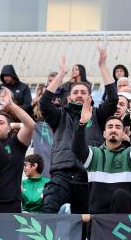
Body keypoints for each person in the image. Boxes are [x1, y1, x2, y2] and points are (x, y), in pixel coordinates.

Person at [40, 49, 114, 214]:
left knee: (88, 222)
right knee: (48, 210)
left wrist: (102, 67)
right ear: (68, 98)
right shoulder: (59, 115)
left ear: (90, 97)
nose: (79, 95)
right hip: (61, 174)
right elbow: (44, 103)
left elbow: (113, 99)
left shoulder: (98, 115)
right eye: (75, 92)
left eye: (83, 92)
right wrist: (61, 74)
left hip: (88, 175)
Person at [72, 97, 131, 213]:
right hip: (99, 216)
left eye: (118, 127)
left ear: (123, 134)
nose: (114, 129)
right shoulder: (94, 154)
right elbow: (77, 149)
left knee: (120, 194)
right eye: (110, 127)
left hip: (122, 216)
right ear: (104, 133)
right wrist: (82, 123)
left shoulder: (130, 154)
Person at [0, 87, 35, 212]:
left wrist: (11, 105)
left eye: (1, 122)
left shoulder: (16, 143)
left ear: (9, 128)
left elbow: (30, 125)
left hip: (10, 202)